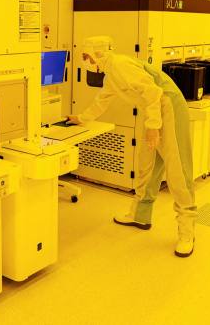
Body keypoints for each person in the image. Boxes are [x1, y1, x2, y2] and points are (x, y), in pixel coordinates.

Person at [67, 36, 197, 257]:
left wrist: (153, 126)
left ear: (96, 53)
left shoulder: (120, 65)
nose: (84, 61)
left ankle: (187, 231)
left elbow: (154, 93)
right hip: (153, 111)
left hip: (169, 107)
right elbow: (103, 99)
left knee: (177, 168)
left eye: (85, 56)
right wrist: (81, 118)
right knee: (147, 164)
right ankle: (140, 215)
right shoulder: (111, 73)